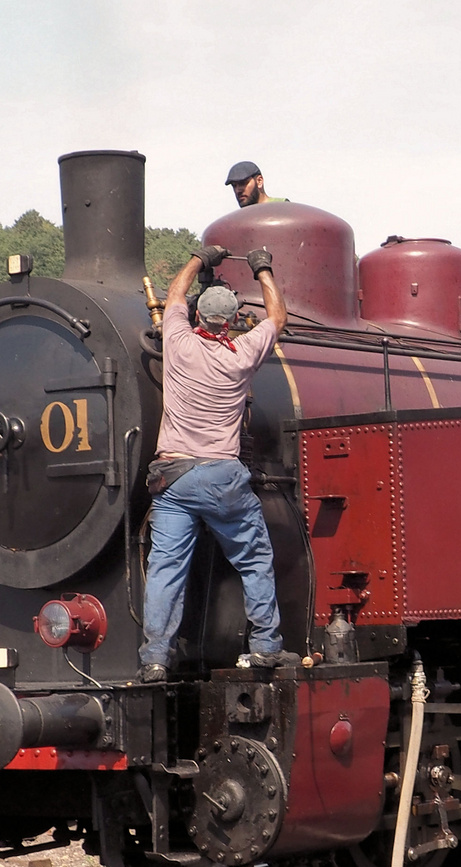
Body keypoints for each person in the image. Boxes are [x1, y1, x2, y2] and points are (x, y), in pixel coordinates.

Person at [138, 244, 298, 680]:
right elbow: (277, 319)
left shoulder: (177, 340)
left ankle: (155, 656)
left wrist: (197, 259)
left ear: (197, 318)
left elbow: (173, 296)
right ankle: (265, 644)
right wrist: (263, 270)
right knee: (254, 558)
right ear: (228, 323)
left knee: (166, 568)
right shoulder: (241, 354)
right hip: (220, 476)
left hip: (172, 477)